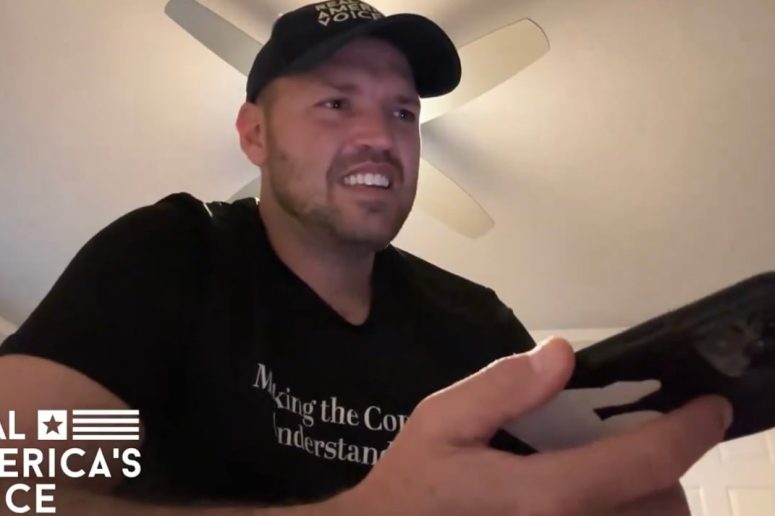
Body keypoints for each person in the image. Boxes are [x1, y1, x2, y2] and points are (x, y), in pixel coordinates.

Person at [0, 1, 731, 514]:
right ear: (255, 135)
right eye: (336, 103)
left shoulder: (472, 324)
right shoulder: (171, 260)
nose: (382, 136)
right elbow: (22, 483)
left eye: (403, 111)